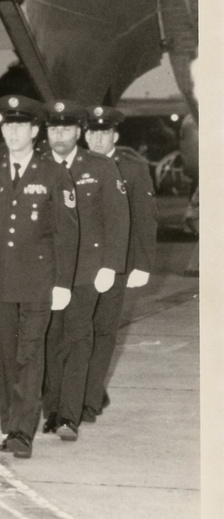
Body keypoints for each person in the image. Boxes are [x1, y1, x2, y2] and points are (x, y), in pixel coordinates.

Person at [0, 96, 78, 459]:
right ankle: (10, 425)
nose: (13, 132)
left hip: (38, 279)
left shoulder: (53, 172)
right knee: (6, 356)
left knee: (29, 355)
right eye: (7, 125)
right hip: (1, 279)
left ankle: (22, 431)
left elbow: (67, 234)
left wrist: (63, 283)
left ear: (35, 131)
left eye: (20, 125)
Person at [39, 101, 129, 439]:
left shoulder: (100, 167)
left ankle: (68, 416)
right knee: (49, 340)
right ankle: (51, 409)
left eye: (66, 129)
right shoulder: (38, 166)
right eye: (53, 129)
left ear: (79, 132)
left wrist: (111, 265)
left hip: (86, 271)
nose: (59, 135)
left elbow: (118, 220)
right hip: (46, 271)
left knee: (78, 339)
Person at [80, 105, 158, 421]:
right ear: (85, 135)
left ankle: (90, 394)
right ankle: (85, 388)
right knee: (73, 330)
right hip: (78, 265)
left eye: (104, 132)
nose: (98, 138)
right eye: (93, 132)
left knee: (103, 330)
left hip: (116, 263)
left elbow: (145, 218)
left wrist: (143, 263)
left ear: (115, 135)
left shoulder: (134, 169)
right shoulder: (70, 166)